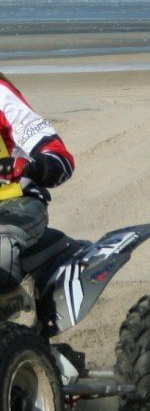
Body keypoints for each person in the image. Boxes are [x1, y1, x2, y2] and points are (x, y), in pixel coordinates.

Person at [0, 73, 75, 326]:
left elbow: (59, 159)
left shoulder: (2, 96)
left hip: (17, 204)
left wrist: (29, 166)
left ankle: (22, 313)